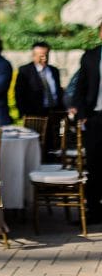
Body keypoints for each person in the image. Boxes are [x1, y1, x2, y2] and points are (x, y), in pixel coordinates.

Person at [67, 20, 102, 224]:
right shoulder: (90, 57)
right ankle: (93, 210)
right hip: (96, 117)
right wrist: (82, 115)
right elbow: (79, 89)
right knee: (95, 165)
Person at [14, 41, 63, 118]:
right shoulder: (25, 71)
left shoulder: (54, 71)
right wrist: (23, 113)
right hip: (34, 114)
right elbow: (19, 94)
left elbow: (58, 91)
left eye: (47, 55)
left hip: (53, 112)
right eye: (41, 56)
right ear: (34, 56)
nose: (45, 58)